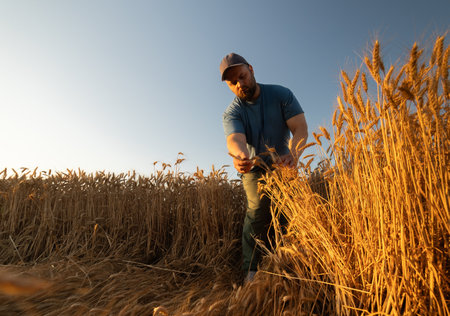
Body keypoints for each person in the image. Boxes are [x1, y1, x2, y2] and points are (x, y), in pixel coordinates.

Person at [220, 53, 308, 282]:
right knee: (257, 210)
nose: (240, 84)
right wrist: (240, 156)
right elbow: (235, 140)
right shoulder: (233, 111)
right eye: (233, 83)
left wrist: (294, 155)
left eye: (242, 76)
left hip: (284, 163)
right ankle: (251, 271)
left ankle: (291, 265)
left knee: (288, 213)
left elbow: (300, 128)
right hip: (253, 167)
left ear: (251, 69)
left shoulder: (281, 94)